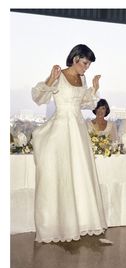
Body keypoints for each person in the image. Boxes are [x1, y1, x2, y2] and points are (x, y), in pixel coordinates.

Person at [31, 44, 107, 243]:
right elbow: (39, 97)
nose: (86, 68)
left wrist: (94, 88)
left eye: (89, 65)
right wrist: (50, 78)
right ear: (75, 58)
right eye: (84, 63)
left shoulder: (82, 78)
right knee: (61, 177)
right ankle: (57, 224)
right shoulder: (59, 75)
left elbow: (85, 104)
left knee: (79, 174)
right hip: (61, 130)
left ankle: (81, 221)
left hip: (78, 130)